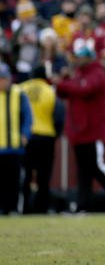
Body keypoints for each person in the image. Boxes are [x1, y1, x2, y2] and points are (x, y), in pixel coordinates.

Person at [56, 41, 105, 213]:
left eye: (80, 57)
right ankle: (82, 205)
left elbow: (85, 88)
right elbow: (63, 92)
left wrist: (62, 82)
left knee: (96, 166)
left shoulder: (98, 72)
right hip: (77, 130)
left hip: (93, 130)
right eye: (76, 57)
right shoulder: (76, 74)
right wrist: (65, 81)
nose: (77, 60)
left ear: (89, 56)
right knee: (83, 172)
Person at [20, 65, 63, 214]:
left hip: (26, 137)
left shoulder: (22, 88)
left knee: (25, 174)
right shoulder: (49, 90)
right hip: (46, 136)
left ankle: (24, 207)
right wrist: (56, 133)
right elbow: (58, 114)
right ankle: (41, 208)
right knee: (44, 176)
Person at [0, 63, 32, 214]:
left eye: (4, 79)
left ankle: (13, 208)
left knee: (13, 181)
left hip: (14, 145)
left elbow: (28, 116)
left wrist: (25, 133)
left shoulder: (18, 93)